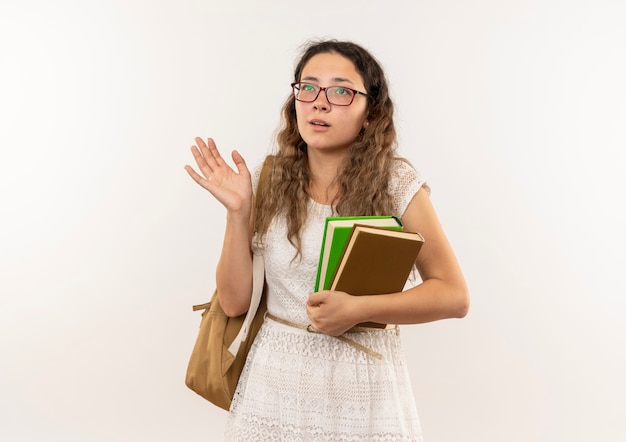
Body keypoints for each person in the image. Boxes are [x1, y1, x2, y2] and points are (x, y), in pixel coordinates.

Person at [185, 39, 469, 441]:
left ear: (370, 113)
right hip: (274, 389)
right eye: (308, 87)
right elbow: (233, 302)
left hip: (364, 390)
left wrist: (356, 309)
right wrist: (238, 213)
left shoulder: (396, 184)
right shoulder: (267, 179)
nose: (319, 102)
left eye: (340, 91)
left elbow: (454, 295)